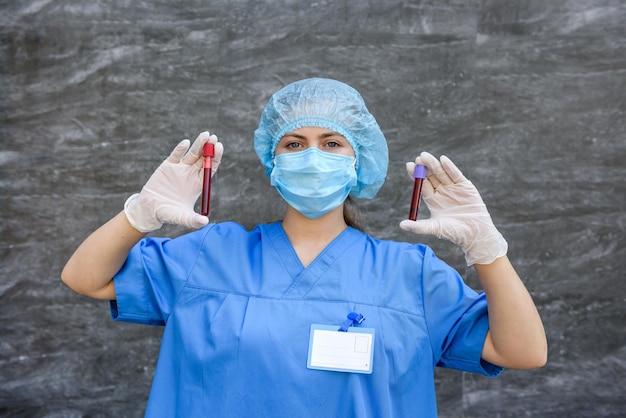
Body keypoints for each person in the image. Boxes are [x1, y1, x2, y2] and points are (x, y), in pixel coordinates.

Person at [61, 78, 547, 417]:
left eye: (332, 143)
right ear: (272, 162)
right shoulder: (211, 254)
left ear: (359, 162)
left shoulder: (410, 274)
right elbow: (84, 277)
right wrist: (138, 215)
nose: (312, 155)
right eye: (294, 144)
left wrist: (488, 249)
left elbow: (522, 351)